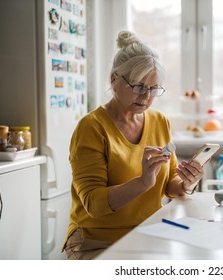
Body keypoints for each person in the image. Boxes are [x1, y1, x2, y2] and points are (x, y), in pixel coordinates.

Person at [62, 31, 205, 260]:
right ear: (114, 79)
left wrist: (188, 182)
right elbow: (93, 204)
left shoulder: (160, 121)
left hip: (148, 234)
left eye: (153, 89)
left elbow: (171, 186)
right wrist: (143, 182)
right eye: (138, 86)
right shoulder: (92, 127)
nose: (146, 97)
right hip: (96, 241)